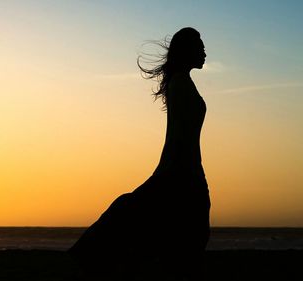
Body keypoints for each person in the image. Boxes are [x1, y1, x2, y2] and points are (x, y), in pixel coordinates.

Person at [69, 27, 210, 281]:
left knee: (181, 240)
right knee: (185, 241)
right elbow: (177, 136)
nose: (204, 52)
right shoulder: (179, 83)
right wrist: (168, 174)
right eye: (199, 46)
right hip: (181, 171)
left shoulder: (183, 82)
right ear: (186, 50)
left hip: (186, 170)